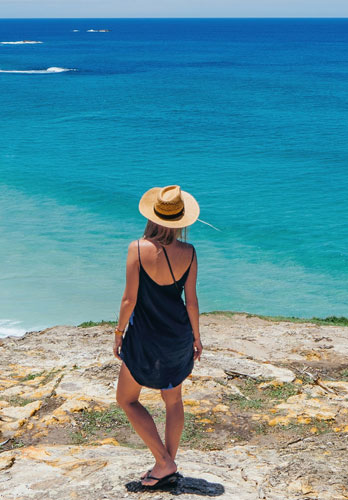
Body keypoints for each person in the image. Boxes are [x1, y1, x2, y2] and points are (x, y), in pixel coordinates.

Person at [113, 184, 202, 491]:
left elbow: (129, 300)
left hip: (145, 337)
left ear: (152, 216)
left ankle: (164, 463)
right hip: (178, 335)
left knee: (126, 399)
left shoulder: (137, 248)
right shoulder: (189, 253)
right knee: (173, 400)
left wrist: (118, 332)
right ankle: (167, 463)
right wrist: (197, 338)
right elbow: (191, 301)